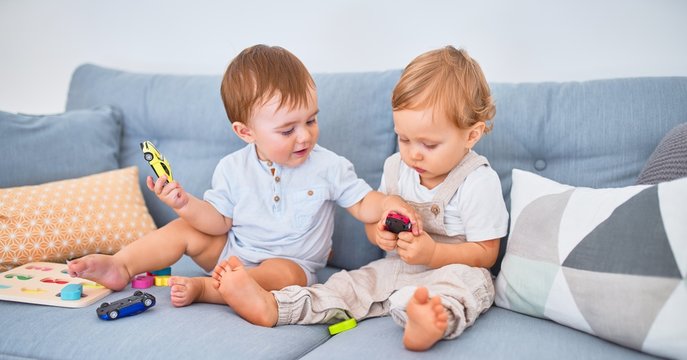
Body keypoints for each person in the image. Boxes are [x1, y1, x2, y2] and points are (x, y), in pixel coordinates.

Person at [67, 44, 419, 308]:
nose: (305, 136)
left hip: (291, 265)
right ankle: (121, 265)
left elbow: (363, 204)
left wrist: (390, 204)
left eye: (311, 120)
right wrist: (184, 204)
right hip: (232, 251)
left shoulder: (328, 165)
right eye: (287, 130)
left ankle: (210, 290)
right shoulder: (233, 168)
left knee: (284, 274)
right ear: (246, 132)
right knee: (183, 230)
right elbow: (218, 223)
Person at [214, 45, 509, 352]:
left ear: (471, 136)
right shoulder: (397, 167)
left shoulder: (477, 180)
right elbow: (374, 221)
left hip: (455, 268)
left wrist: (433, 255)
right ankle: (275, 306)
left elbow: (486, 254)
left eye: (429, 144)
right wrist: (380, 234)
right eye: (404, 139)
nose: (413, 153)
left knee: (466, 288)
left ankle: (426, 322)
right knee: (346, 286)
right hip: (396, 267)